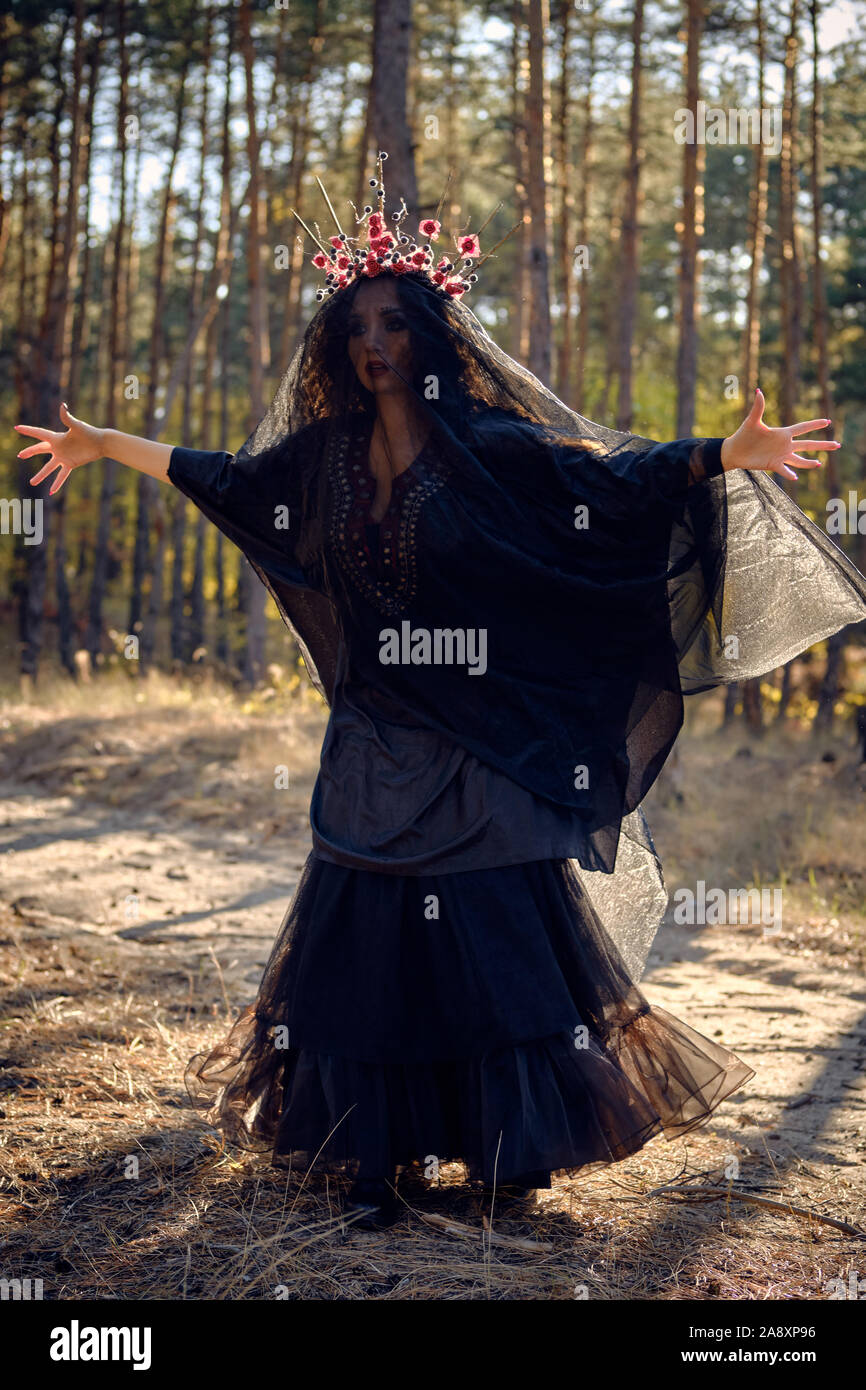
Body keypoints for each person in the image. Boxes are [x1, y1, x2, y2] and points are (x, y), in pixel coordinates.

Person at [15, 159, 866, 1232]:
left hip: (487, 738)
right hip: (377, 742)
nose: (374, 344)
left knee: (495, 943)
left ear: (427, 335)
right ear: (339, 346)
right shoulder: (321, 462)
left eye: (393, 324)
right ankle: (375, 1151)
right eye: (356, 327)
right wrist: (102, 445)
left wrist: (716, 454)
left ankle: (508, 1146)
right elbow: (222, 476)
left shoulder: (487, 450)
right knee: (365, 941)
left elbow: (602, 480)